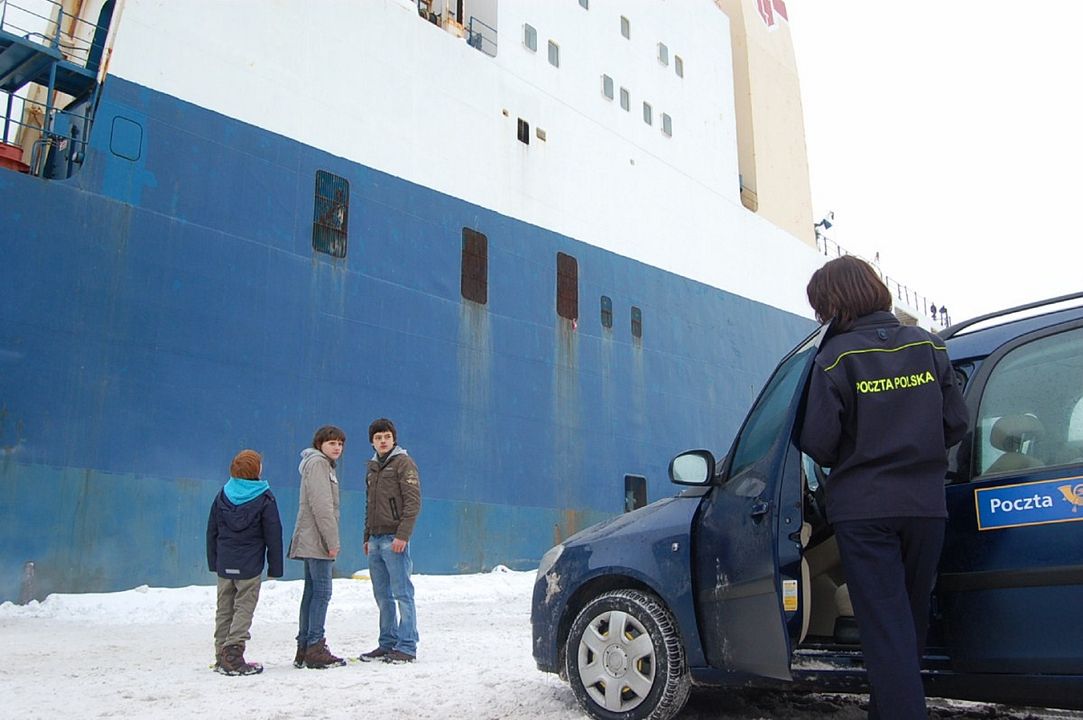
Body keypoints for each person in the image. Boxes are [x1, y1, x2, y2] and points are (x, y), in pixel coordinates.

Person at [799, 256, 968, 720]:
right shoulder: (928, 347)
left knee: (885, 631)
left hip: (865, 512)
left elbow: (819, 442)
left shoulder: (834, 358)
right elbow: (956, 422)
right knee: (908, 626)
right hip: (925, 507)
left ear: (832, 303)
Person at [206, 449, 283, 676]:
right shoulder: (265, 497)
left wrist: (214, 562)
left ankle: (221, 654)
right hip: (249, 565)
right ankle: (234, 654)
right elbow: (273, 533)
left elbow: (212, 531)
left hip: (225, 562)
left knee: (224, 608)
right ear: (256, 470)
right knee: (243, 608)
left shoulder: (223, 494)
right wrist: (275, 567)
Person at [359, 418, 422, 664]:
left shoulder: (403, 463)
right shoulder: (373, 467)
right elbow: (369, 505)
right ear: (372, 442)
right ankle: (387, 643)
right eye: (378, 438)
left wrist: (402, 535)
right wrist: (366, 536)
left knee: (402, 593)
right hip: (375, 539)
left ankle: (407, 646)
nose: (382, 441)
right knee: (382, 595)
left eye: (386, 436)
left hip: (394, 539)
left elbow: (413, 503)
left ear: (393, 438)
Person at [288, 425, 348, 669]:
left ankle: (304, 647)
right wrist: (332, 543)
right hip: (318, 541)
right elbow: (322, 507)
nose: (337, 447)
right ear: (319, 444)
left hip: (312, 539)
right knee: (322, 592)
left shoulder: (316, 464)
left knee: (311, 592)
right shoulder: (319, 464)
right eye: (332, 443)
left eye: (340, 444)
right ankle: (315, 646)